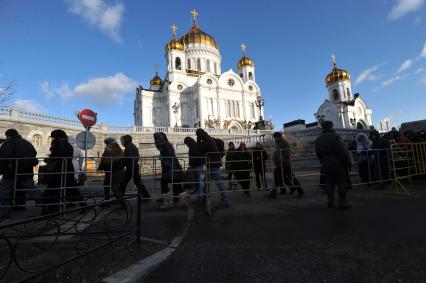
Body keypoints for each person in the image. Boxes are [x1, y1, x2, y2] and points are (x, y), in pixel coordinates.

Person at [0, 129, 39, 219]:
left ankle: (3, 212)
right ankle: (45, 204)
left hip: (11, 172)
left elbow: (4, 157)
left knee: (4, 191)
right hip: (26, 171)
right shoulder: (27, 143)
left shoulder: (8, 143)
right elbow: (34, 153)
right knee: (31, 189)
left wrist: (2, 169)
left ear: (8, 136)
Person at [43, 129, 83, 214]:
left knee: (54, 189)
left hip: (59, 169)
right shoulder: (67, 144)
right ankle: (83, 205)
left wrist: (49, 160)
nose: (53, 139)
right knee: (69, 188)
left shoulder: (58, 143)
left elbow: (56, 156)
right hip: (68, 168)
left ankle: (52, 209)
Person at [315, 121, 352, 209]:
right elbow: (342, 151)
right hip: (338, 162)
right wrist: (348, 162)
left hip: (326, 163)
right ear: (331, 126)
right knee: (341, 182)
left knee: (329, 182)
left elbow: (318, 153)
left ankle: (330, 201)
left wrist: (323, 161)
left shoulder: (318, 139)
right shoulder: (335, 137)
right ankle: (342, 202)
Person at [196, 128, 229, 208]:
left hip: (213, 165)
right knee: (206, 182)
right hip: (213, 164)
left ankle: (225, 201)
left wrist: (198, 141)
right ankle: (205, 198)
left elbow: (200, 150)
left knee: (219, 182)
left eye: (197, 135)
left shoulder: (206, 141)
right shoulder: (210, 138)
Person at [154, 132, 188, 209]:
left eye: (156, 139)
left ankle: (168, 202)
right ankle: (183, 202)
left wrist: (162, 158)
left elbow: (169, 157)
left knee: (164, 184)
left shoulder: (165, 145)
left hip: (170, 169)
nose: (156, 141)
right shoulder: (166, 144)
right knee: (177, 185)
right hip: (174, 169)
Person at [268, 132, 304, 199]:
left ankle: (300, 191)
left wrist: (282, 159)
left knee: (291, 178)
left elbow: (287, 151)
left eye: (275, 137)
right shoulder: (278, 143)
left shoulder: (284, 143)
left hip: (285, 164)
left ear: (278, 137)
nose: (274, 139)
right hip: (279, 164)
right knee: (278, 178)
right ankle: (275, 193)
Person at [119, 135, 151, 200]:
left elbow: (129, 158)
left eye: (123, 140)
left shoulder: (129, 147)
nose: (122, 142)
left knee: (125, 182)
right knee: (136, 182)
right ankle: (146, 196)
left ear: (126, 140)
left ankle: (120, 197)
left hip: (131, 167)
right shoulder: (131, 145)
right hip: (132, 166)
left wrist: (121, 163)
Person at [184, 136, 205, 203]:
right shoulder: (196, 146)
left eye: (186, 144)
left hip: (197, 166)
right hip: (200, 166)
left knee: (199, 183)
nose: (186, 145)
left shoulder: (192, 148)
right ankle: (202, 197)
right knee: (200, 182)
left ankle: (200, 198)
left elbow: (195, 157)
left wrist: (191, 161)